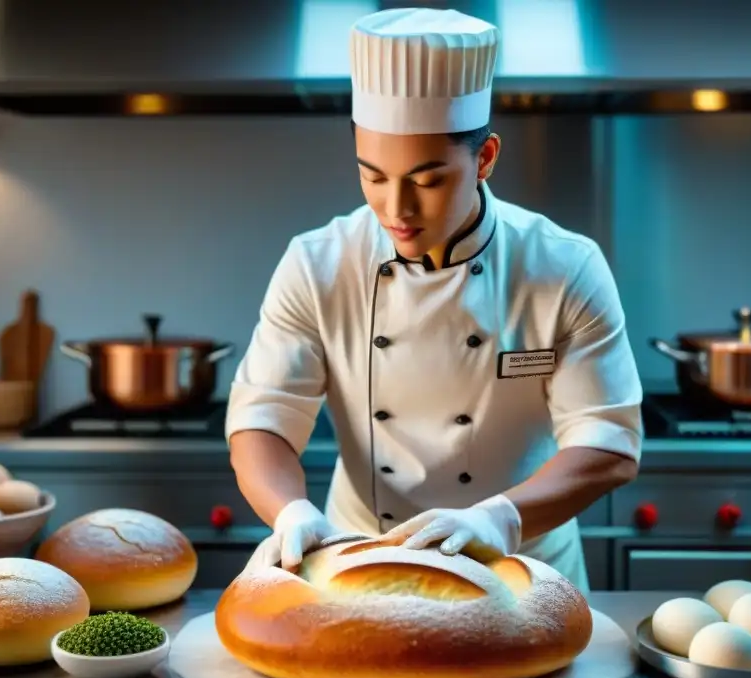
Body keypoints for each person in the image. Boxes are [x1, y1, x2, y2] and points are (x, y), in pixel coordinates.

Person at [225, 7, 642, 591]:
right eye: (372, 175)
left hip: (524, 570)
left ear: (486, 159)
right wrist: (290, 512)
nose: (396, 209)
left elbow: (608, 444)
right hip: (360, 560)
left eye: (426, 181)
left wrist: (501, 519)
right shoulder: (319, 263)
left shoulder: (564, 267)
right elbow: (262, 418)